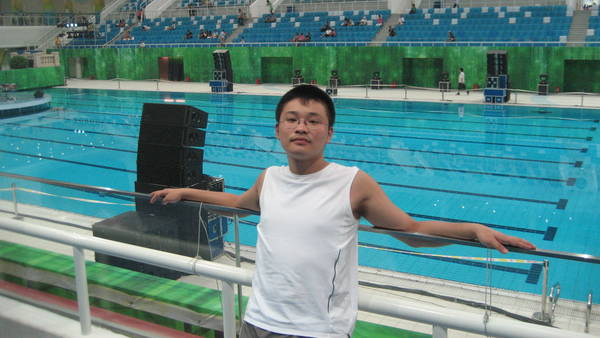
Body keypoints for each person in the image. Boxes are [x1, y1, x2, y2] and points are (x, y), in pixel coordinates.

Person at [150, 85, 534, 338]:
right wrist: (186, 191)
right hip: (259, 321)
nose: (302, 127)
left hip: (319, 330)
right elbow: (239, 205)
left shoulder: (352, 183)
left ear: (328, 133)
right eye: (293, 120)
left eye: (313, 121)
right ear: (278, 129)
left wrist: (472, 230)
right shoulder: (269, 178)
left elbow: (410, 230)